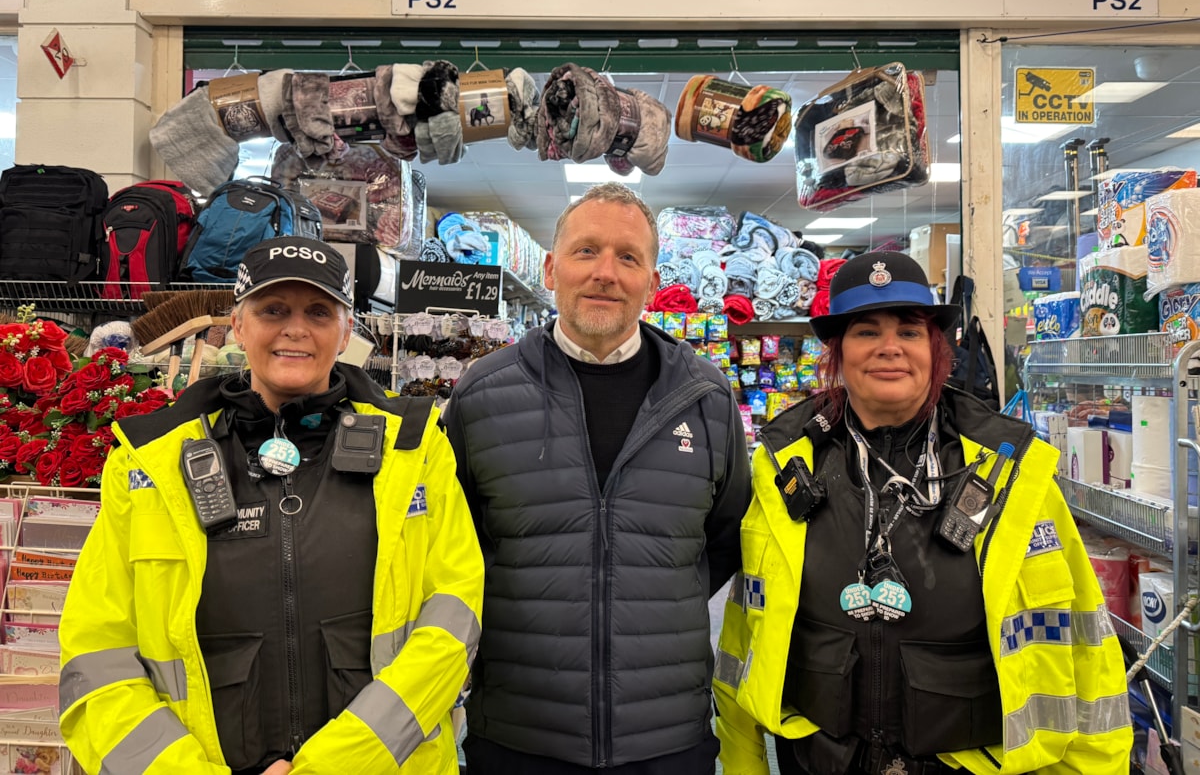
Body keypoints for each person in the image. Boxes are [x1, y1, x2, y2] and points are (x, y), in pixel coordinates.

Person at [59, 236, 484, 775]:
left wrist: (336, 766)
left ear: (346, 330)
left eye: (319, 311)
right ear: (238, 325)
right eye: (273, 309)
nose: (295, 329)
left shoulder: (415, 450)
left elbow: (452, 618)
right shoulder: (149, 463)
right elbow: (97, 651)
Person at [714, 251, 1132, 775]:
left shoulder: (1009, 472)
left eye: (909, 332)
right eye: (866, 332)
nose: (889, 348)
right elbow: (745, 631)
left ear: (936, 351)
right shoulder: (784, 467)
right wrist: (741, 763)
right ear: (838, 353)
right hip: (820, 761)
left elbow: (1083, 646)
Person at [442, 182, 751, 774]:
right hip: (519, 735)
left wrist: (647, 593)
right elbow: (458, 547)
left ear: (652, 282)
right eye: (586, 252)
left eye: (628, 257)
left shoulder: (705, 396)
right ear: (553, 269)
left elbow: (725, 536)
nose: (606, 273)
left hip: (665, 736)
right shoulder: (483, 393)